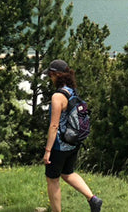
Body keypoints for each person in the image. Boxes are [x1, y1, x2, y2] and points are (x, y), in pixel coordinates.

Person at [43, 59, 103, 212]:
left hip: (59, 145)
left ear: (56, 75)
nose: (50, 78)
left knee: (52, 179)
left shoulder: (58, 96)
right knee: (67, 173)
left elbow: (54, 125)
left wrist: (48, 150)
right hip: (73, 142)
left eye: (50, 75)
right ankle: (93, 199)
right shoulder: (72, 91)